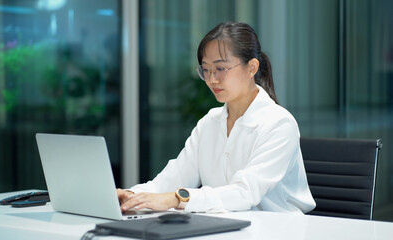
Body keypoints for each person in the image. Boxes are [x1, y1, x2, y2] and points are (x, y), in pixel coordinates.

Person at [117, 22, 316, 214]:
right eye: (206, 69)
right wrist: (131, 196)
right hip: (225, 227)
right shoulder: (209, 123)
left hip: (279, 230)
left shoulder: (279, 123)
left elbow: (245, 192)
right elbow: (172, 178)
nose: (212, 79)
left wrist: (178, 199)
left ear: (252, 68)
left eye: (221, 68)